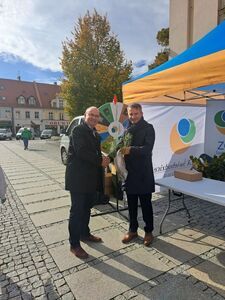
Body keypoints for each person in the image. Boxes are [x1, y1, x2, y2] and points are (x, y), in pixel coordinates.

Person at [65, 106, 110, 259]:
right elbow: (82, 151)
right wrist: (100, 160)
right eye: (91, 115)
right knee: (77, 211)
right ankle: (74, 244)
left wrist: (103, 158)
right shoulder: (78, 131)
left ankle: (85, 234)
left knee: (86, 208)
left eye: (96, 116)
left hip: (90, 179)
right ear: (85, 115)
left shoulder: (95, 133)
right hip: (77, 179)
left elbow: (95, 153)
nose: (93, 118)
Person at [121, 103, 155, 246]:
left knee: (146, 205)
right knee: (132, 205)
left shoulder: (148, 128)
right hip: (130, 173)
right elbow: (121, 146)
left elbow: (147, 149)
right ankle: (132, 230)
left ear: (141, 113)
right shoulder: (127, 129)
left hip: (143, 173)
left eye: (135, 113)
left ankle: (148, 232)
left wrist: (131, 150)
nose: (133, 116)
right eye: (130, 114)